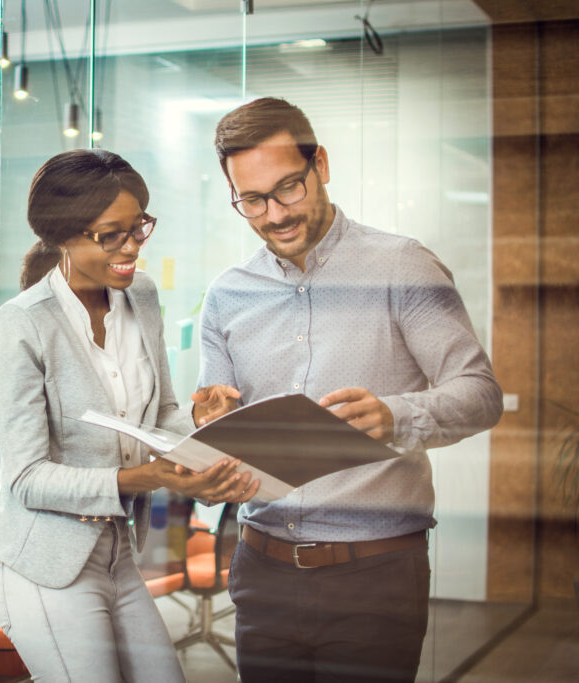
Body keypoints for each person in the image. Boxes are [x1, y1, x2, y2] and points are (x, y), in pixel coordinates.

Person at [197, 97, 503, 682]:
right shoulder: (227, 295)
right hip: (261, 570)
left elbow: (480, 393)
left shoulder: (402, 266)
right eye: (252, 200)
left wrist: (396, 416)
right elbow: (219, 425)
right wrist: (208, 426)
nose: (275, 214)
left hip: (376, 577)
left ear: (322, 166)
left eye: (289, 188)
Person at [0, 148, 258, 682]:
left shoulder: (142, 298)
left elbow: (161, 417)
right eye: (113, 235)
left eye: (139, 228)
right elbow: (26, 479)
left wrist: (201, 423)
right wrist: (143, 477)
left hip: (117, 551)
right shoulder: (21, 325)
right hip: (45, 562)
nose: (132, 247)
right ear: (65, 234)